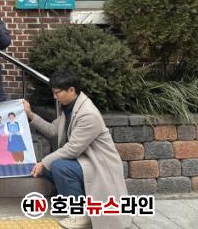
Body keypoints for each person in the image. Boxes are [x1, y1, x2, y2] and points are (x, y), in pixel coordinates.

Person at [23, 71, 131, 229]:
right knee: (47, 167)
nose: (54, 97)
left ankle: (80, 214)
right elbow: (53, 130)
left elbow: (72, 149)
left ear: (71, 90)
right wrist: (30, 115)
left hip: (99, 165)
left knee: (59, 166)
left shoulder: (88, 114)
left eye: (57, 93)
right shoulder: (69, 108)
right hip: (83, 160)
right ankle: (76, 198)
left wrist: (43, 162)